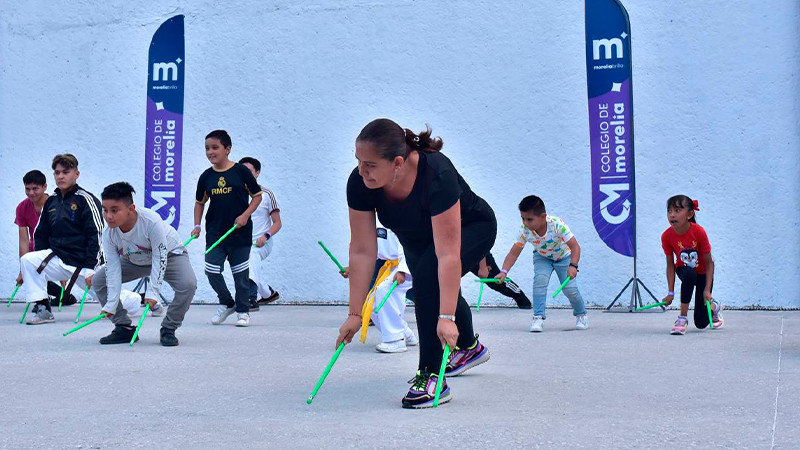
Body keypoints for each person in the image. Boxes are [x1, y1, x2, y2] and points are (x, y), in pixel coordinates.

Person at [338, 118, 493, 409]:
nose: (361, 171)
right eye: (357, 160)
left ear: (397, 163)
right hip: (417, 237)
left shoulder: (437, 174)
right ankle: (469, 348)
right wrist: (355, 313)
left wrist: (446, 318)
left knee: (427, 282)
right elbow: (362, 250)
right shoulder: (360, 183)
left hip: (471, 227)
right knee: (433, 284)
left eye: (369, 164)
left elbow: (447, 255)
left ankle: (431, 376)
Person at [88, 182, 196, 346]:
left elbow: (160, 257)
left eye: (114, 210)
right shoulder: (109, 233)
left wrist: (153, 292)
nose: (108, 216)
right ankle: (123, 327)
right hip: (134, 259)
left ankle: (169, 328)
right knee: (99, 280)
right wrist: (111, 304)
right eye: (105, 210)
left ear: (131, 209)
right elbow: (113, 269)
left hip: (169, 255)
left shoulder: (151, 221)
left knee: (188, 285)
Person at [18, 154, 103, 324]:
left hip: (84, 264)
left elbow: (96, 234)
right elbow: (40, 234)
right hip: (58, 260)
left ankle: (142, 299)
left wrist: (91, 267)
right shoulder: (51, 202)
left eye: (65, 172)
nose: (60, 176)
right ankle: (43, 309)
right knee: (28, 260)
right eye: (57, 173)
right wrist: (43, 262)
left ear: (76, 174)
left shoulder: (86, 199)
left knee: (116, 303)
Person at [191, 130, 262, 327]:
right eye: (207, 148)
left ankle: (243, 311)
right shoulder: (206, 176)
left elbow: (257, 196)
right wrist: (197, 225)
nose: (210, 152)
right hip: (215, 232)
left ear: (227, 149)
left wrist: (245, 215)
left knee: (240, 276)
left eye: (215, 147)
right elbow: (199, 203)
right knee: (211, 270)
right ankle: (227, 302)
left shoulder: (241, 172)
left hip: (239, 233)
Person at [497, 195, 588, 332]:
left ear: (543, 216)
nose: (525, 223)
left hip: (564, 257)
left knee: (570, 289)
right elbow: (514, 253)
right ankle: (538, 317)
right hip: (542, 257)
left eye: (529, 219)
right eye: (522, 218)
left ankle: (581, 314)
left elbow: (575, 247)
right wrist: (504, 271)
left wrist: (573, 265)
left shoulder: (557, 225)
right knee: (540, 282)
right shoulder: (525, 230)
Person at [341, 224, 418, 353]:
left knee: (384, 291)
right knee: (371, 303)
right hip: (389, 267)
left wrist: (402, 270)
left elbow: (408, 243)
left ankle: (396, 340)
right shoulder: (372, 221)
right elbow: (367, 250)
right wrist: (353, 268)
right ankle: (406, 334)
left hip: (409, 263)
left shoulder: (396, 217)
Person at [14, 170, 78, 306]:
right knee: (32, 272)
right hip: (37, 249)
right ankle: (52, 300)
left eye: (35, 189)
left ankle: (63, 295)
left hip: (58, 248)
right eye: (27, 189)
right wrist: (22, 269)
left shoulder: (57, 204)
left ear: (45, 187)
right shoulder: (22, 207)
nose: (31, 193)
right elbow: (24, 240)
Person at [661, 195, 721, 335]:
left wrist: (707, 290)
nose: (672, 215)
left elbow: (709, 263)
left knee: (701, 323)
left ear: (690, 214)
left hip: (703, 273)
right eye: (669, 211)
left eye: (677, 210)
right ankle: (682, 319)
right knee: (689, 275)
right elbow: (670, 265)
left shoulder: (699, 232)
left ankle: (714, 308)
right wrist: (670, 293)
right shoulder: (666, 236)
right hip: (684, 270)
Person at [238, 157, 281, 310]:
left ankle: (250, 298)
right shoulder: (234, 194)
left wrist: (265, 236)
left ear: (257, 173)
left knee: (251, 255)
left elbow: (277, 223)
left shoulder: (267, 194)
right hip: (241, 243)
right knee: (250, 265)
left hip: (262, 242)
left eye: (249, 171)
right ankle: (268, 293)